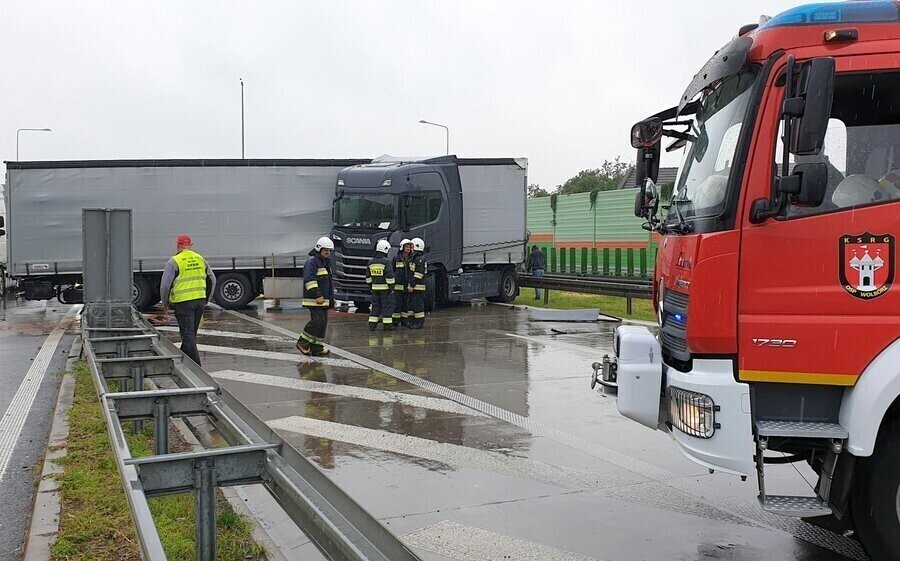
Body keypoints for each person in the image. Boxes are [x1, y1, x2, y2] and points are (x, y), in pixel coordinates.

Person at [159, 234, 216, 366]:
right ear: (190, 245)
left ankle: (197, 368)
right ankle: (181, 361)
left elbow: (165, 285)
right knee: (190, 335)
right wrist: (207, 298)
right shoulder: (200, 258)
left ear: (178, 246)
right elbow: (212, 279)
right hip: (199, 301)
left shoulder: (174, 261)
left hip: (183, 303)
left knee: (188, 335)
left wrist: (165, 302)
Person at [297, 236, 335, 356]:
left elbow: (328, 283)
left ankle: (317, 348)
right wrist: (317, 294)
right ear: (319, 249)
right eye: (325, 250)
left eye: (329, 251)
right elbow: (309, 280)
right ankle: (302, 343)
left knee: (323, 323)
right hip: (314, 299)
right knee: (317, 321)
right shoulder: (312, 262)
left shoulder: (325, 263)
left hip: (323, 300)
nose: (327, 253)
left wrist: (331, 299)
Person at [366, 239, 396, 331]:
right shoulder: (386, 262)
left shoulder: (371, 262)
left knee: (375, 307)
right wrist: (392, 288)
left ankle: (372, 325)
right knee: (386, 307)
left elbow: (368, 277)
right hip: (385, 290)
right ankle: (387, 326)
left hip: (375, 289)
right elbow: (389, 276)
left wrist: (371, 287)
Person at [406, 237, 427, 329]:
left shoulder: (420, 259)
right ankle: (411, 322)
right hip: (413, 287)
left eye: (412, 247)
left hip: (417, 287)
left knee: (418, 306)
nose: (411, 249)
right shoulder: (414, 258)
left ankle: (419, 323)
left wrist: (412, 285)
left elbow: (418, 274)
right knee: (411, 305)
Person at [392, 239, 413, 327]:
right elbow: (393, 271)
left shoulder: (412, 259)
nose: (408, 249)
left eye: (409, 247)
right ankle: (395, 322)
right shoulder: (396, 258)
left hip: (407, 286)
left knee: (405, 305)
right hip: (397, 287)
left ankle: (405, 321)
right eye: (407, 247)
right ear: (402, 247)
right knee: (397, 304)